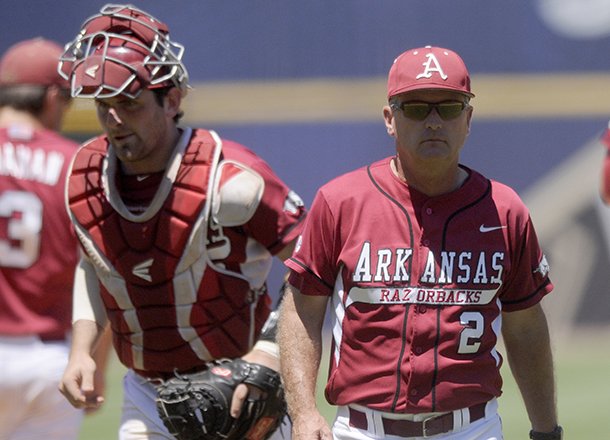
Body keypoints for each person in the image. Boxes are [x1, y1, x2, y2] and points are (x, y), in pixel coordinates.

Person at [278, 46, 562, 440]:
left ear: (468, 119)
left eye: (448, 107)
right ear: (389, 119)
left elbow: (526, 326)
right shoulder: (341, 201)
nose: (432, 121)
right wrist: (304, 412)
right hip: (363, 430)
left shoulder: (505, 210)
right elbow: (300, 310)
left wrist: (546, 430)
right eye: (414, 107)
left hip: (471, 429)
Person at [56, 4, 306, 439]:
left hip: (240, 387)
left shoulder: (229, 177)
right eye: (103, 105)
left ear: (171, 101)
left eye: (129, 103)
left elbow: (313, 264)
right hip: (146, 394)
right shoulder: (86, 176)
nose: (113, 119)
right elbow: (96, 264)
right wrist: (82, 352)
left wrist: (268, 354)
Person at [0, 38, 111, 439]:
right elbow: (102, 271)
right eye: (65, 98)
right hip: (44, 358)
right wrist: (94, 364)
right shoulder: (76, 167)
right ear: (51, 96)